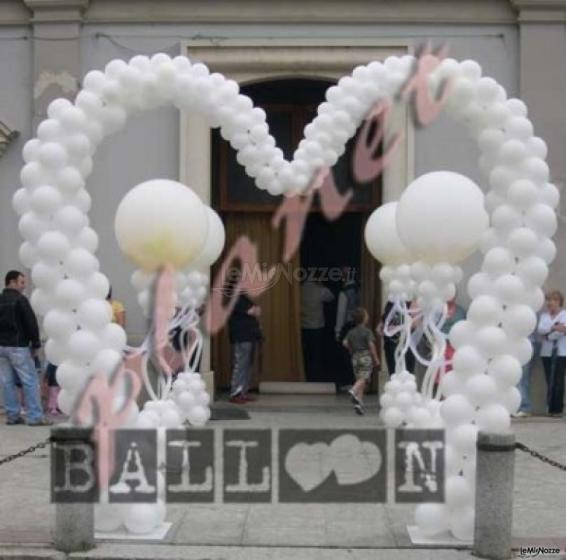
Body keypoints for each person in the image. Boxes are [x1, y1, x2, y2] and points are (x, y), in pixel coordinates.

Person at [0, 270, 50, 426]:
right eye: (21, 282)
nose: (24, 286)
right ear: (12, 282)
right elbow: (31, 323)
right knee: (29, 381)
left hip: (1, 347)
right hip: (18, 346)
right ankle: (35, 416)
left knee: (7, 383)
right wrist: (35, 344)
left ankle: (12, 416)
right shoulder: (21, 300)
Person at [343, 308, 380, 415]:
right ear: (364, 319)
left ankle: (358, 404)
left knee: (360, 380)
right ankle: (353, 390)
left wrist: (351, 349)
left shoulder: (351, 332)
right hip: (365, 356)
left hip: (355, 357)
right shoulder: (367, 331)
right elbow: (371, 345)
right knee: (364, 378)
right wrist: (376, 358)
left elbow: (345, 342)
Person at [228, 292, 262, 404]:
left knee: (247, 364)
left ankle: (243, 392)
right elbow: (253, 311)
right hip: (242, 336)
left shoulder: (244, 298)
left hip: (248, 335)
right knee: (241, 364)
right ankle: (235, 393)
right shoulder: (236, 298)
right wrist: (255, 310)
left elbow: (255, 311)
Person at [537, 290, 566, 417]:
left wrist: (548, 336)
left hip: (561, 352)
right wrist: (554, 327)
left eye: (554, 300)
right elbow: (540, 330)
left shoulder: (564, 314)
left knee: (559, 381)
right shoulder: (544, 316)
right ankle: (551, 408)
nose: (551, 302)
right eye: (549, 300)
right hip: (546, 353)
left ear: (560, 302)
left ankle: (558, 409)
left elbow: (562, 331)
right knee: (550, 380)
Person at [301, 278, 334, 382]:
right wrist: (322, 285)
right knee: (316, 353)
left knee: (305, 353)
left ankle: (305, 374)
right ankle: (316, 376)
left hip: (303, 326)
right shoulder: (321, 290)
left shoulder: (299, 289)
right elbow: (331, 297)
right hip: (317, 326)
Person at [334, 267, 359, 390]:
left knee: (347, 355)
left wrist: (338, 331)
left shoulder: (344, 292)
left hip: (348, 326)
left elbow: (341, 312)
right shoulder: (359, 290)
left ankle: (350, 381)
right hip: (360, 326)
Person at [377, 300, 416, 376]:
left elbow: (416, 324)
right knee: (393, 372)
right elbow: (385, 318)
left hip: (406, 344)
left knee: (407, 372)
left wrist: (397, 328)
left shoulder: (411, 302)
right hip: (390, 343)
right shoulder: (391, 302)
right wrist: (381, 326)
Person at [513, 319, 541, 418]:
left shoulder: (526, 312)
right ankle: (519, 406)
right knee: (519, 378)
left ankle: (525, 407)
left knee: (522, 378)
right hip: (518, 345)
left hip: (525, 345)